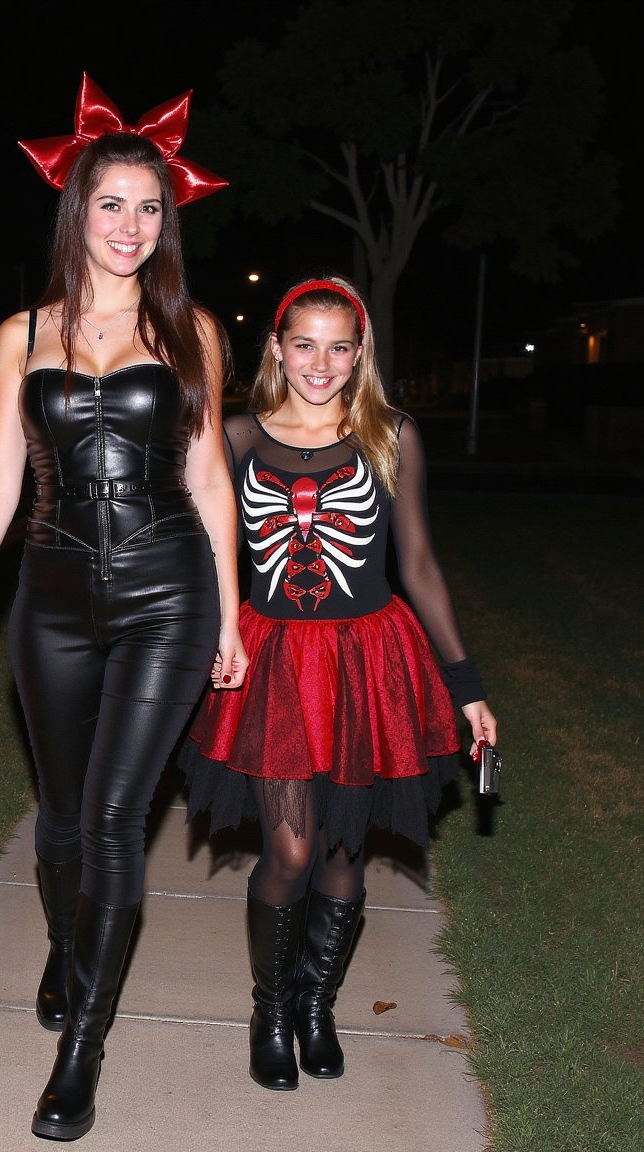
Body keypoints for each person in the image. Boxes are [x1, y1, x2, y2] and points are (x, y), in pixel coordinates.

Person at [0, 74, 247, 1141]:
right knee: (59, 822)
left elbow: (208, 483)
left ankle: (81, 1048)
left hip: (167, 598)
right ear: (76, 211)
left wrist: (230, 618)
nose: (132, 226)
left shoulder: (194, 332)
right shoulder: (23, 333)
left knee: (111, 820)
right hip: (50, 599)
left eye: (151, 208)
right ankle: (71, 942)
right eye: (113, 204)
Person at [178, 274, 500, 1092]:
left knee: (344, 848)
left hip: (366, 660)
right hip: (275, 661)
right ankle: (271, 1011)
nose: (321, 363)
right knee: (289, 846)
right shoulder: (238, 435)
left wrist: (466, 686)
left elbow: (419, 564)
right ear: (278, 350)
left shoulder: (390, 435)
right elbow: (198, 551)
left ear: (360, 356)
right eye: (305, 344)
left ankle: (317, 1005)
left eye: (339, 347)